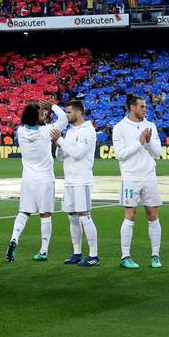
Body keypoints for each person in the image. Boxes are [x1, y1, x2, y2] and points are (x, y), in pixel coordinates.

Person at [5, 100, 68, 262]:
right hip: (45, 178)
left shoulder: (21, 131)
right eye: (41, 113)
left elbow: (33, 124)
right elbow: (64, 119)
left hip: (28, 179)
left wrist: (43, 112)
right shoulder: (46, 131)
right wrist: (52, 106)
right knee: (45, 214)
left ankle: (14, 239)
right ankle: (43, 251)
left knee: (24, 212)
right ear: (36, 117)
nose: (44, 115)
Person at [112, 94, 163, 269]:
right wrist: (140, 142)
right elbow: (120, 154)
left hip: (149, 176)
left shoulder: (151, 126)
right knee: (130, 215)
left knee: (152, 214)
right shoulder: (119, 128)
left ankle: (155, 255)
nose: (145, 109)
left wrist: (148, 142)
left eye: (145, 106)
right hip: (130, 177)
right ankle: (125, 256)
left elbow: (158, 153)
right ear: (132, 108)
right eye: (141, 106)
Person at [56, 98, 100, 267]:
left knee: (85, 216)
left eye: (69, 112)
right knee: (72, 217)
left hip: (82, 180)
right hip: (70, 180)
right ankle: (76, 253)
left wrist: (60, 140)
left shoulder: (88, 130)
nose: (66, 115)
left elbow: (78, 153)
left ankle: (94, 255)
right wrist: (59, 145)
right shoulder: (71, 131)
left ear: (79, 112)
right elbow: (60, 157)